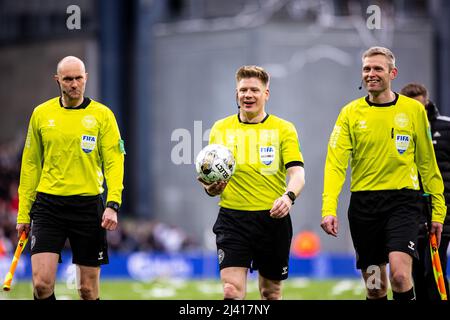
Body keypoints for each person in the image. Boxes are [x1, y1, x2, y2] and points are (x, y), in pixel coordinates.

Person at [321, 46, 446, 300]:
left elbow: (427, 163)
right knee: (376, 287)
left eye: (378, 68)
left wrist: (439, 210)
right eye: (366, 68)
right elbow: (335, 164)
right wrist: (329, 208)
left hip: (404, 203)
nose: (371, 73)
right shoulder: (350, 113)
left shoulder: (413, 111)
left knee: (400, 276)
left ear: (393, 73)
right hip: (364, 207)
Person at [16, 56, 125, 300]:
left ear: (86, 78)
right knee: (41, 286)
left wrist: (112, 203)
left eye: (78, 78)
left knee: (86, 290)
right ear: (58, 80)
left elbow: (114, 162)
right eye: (68, 79)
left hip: (88, 207)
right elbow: (30, 165)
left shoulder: (103, 115)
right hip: (48, 206)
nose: (74, 84)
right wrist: (24, 213)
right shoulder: (41, 114)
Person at [197, 65, 305, 300]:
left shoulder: (283, 129)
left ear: (266, 94)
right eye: (243, 90)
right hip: (232, 220)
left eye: (254, 90)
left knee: (270, 293)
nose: (248, 95)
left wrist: (289, 197)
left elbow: (297, 174)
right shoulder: (220, 128)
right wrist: (210, 188)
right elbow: (209, 178)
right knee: (231, 291)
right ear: (236, 94)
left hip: (272, 220)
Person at [400, 83, 450, 300]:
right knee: (417, 272)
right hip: (409, 211)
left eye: (419, 105)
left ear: (426, 102)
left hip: (440, 212)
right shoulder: (400, 128)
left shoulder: (446, 127)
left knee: (434, 271)